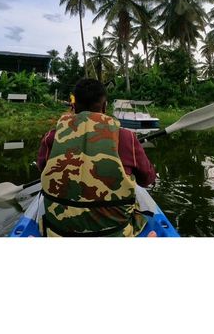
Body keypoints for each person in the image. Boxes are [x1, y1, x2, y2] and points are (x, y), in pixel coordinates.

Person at [37, 78, 157, 237]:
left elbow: (42, 169)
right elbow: (147, 179)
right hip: (115, 232)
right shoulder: (127, 137)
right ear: (105, 106)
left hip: (58, 232)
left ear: (73, 106)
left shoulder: (52, 137)